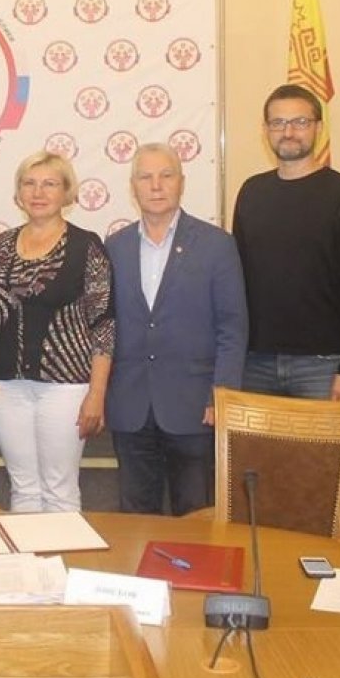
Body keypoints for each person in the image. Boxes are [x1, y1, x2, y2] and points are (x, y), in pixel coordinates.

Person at [105, 143, 248, 515]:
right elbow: (104, 327)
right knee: (135, 520)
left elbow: (232, 328)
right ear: (133, 187)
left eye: (166, 175)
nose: (156, 186)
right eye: (145, 177)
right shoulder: (114, 247)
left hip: (194, 406)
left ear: (181, 183)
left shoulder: (217, 245)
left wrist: (221, 394)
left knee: (195, 517)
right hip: (130, 406)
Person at [0, 151, 115, 512]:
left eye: (49, 184)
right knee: (22, 488)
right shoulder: (0, 245)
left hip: (65, 387)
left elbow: (103, 323)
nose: (38, 192)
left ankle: (64, 551)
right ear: (18, 193)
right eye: (29, 183)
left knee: (59, 489)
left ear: (67, 193)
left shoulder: (86, 246)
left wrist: (97, 394)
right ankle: (26, 553)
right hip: (6, 385)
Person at [232, 84, 340, 400]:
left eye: (300, 122)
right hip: (255, 362)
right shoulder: (251, 193)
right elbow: (237, 279)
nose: (288, 132)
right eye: (278, 123)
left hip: (324, 366)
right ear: (265, 130)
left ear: (318, 128)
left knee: (323, 440)